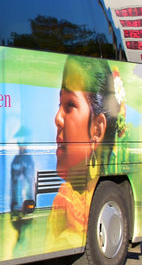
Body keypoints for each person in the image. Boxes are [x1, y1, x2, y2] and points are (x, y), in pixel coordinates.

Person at [50, 56, 124, 247]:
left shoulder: (66, 203)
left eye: (70, 105)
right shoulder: (63, 199)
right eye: (60, 104)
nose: (57, 119)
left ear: (97, 130)